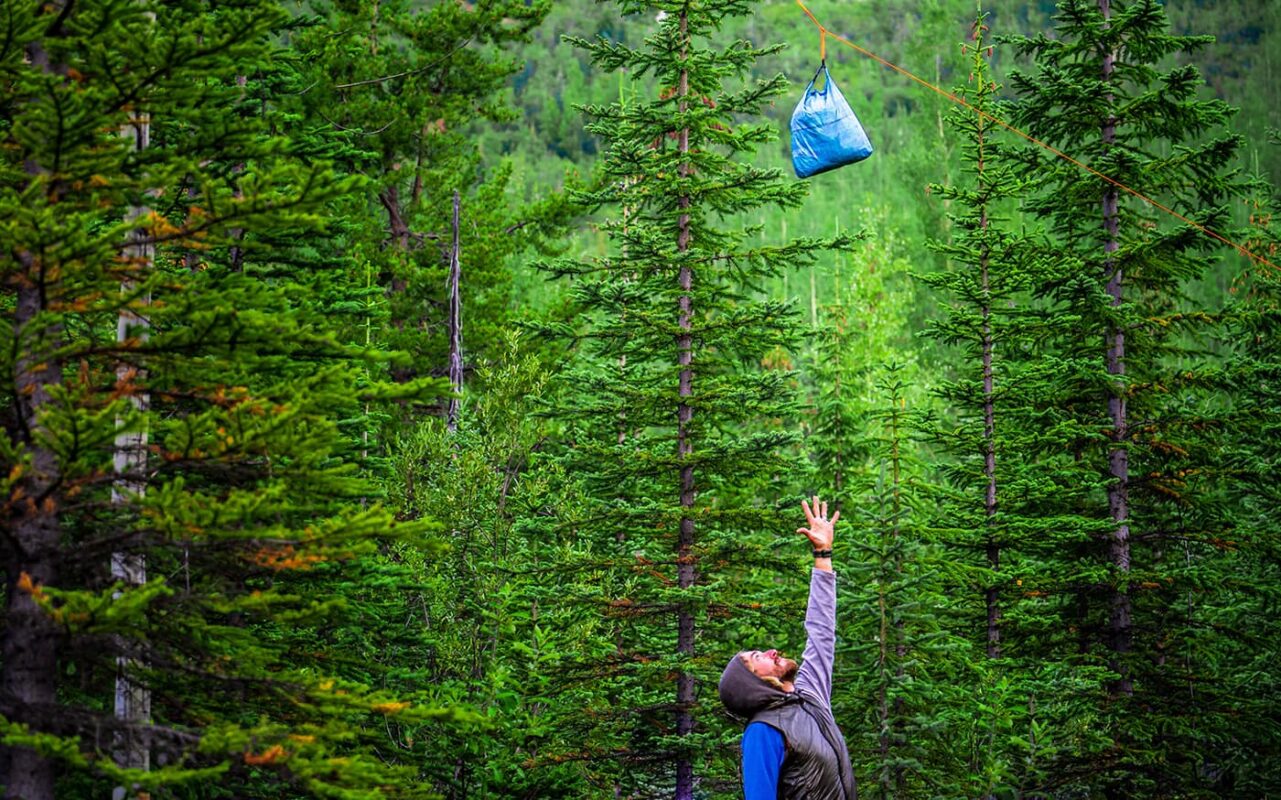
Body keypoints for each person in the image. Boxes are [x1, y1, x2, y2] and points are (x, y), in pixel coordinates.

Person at [718, 496, 857, 800]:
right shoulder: (763, 732)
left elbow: (821, 633)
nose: (770, 651)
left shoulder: (809, 696)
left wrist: (823, 553)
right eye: (757, 658)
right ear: (753, 684)